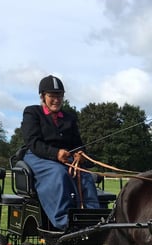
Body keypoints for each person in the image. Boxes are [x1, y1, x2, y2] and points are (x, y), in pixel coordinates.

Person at [21, 75, 100, 230]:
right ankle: (64, 221)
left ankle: (93, 218)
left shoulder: (69, 117)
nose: (56, 100)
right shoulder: (32, 113)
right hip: (37, 156)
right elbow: (33, 142)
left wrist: (80, 153)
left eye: (60, 96)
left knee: (85, 176)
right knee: (58, 173)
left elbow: (77, 143)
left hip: (65, 160)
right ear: (43, 96)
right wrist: (56, 153)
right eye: (52, 96)